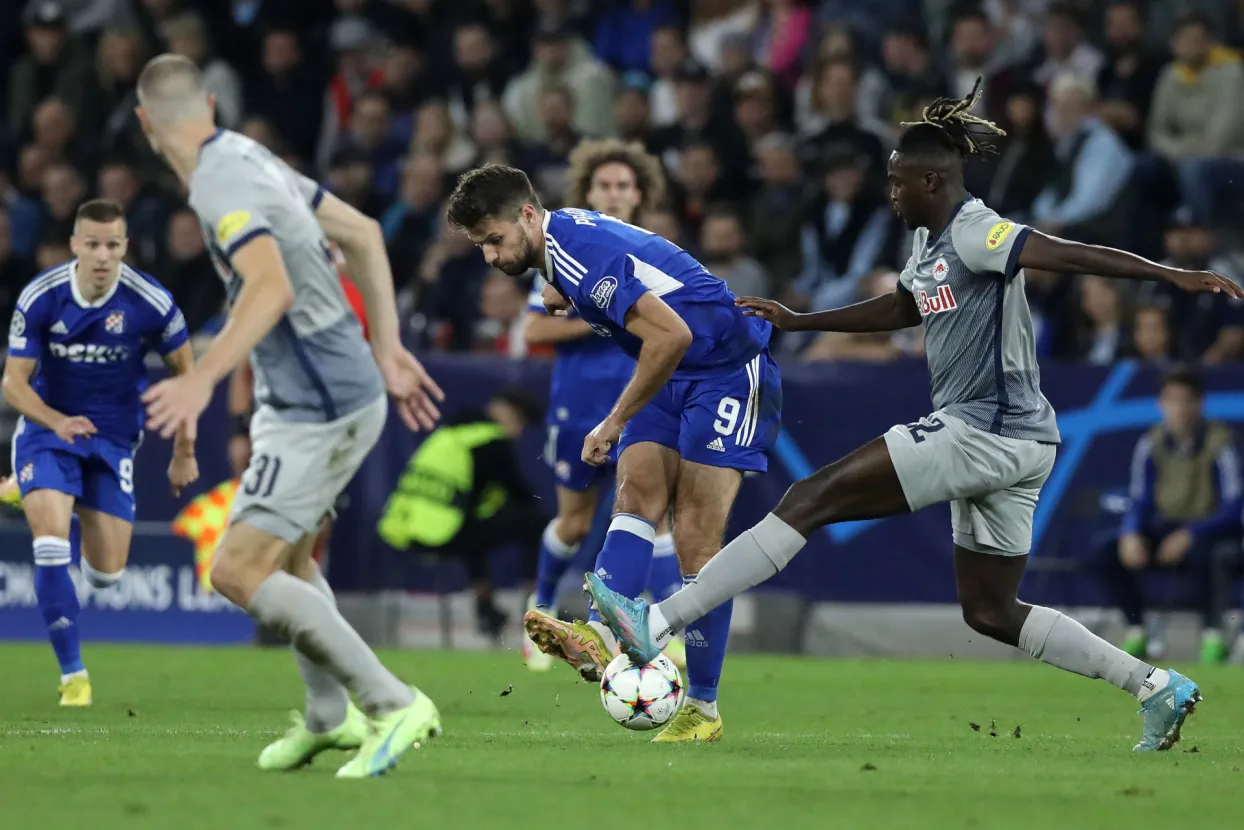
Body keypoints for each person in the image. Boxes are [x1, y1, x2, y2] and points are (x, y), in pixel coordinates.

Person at [585, 80, 1243, 752]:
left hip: (985, 426)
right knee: (990, 610)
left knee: (809, 498)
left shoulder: (976, 230)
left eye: (899, 183)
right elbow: (902, 308)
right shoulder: (928, 245)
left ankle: (655, 623)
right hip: (1017, 441)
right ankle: (1156, 687)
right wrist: (803, 319)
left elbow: (1063, 253)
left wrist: (1170, 275)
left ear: (933, 180)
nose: (891, 193)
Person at [132, 54, 445, 779]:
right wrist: (389, 350)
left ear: (146, 123)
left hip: (322, 406)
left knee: (238, 571)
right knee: (294, 561)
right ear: (210, 102)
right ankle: (329, 720)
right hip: (305, 394)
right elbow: (364, 231)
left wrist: (203, 379)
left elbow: (269, 286)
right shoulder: (249, 154)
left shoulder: (219, 183)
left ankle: (393, 703)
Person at [447, 164, 782, 743]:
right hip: (677, 373)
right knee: (635, 492)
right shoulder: (564, 243)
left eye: (495, 241)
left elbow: (670, 334)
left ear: (527, 215)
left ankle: (702, 708)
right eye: (481, 247)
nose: (492, 258)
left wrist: (614, 418)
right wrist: (568, 295)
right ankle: (603, 633)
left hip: (728, 369)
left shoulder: (580, 252)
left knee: (698, 539)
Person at [1, 198, 199, 707]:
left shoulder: (150, 302)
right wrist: (56, 421)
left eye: (112, 245)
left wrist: (184, 450)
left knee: (106, 575)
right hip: (50, 430)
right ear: (74, 246)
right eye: (92, 244)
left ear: (125, 247)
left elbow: (188, 378)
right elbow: (14, 386)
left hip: (112, 441)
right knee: (50, 541)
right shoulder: (42, 297)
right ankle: (74, 675)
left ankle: (25, 488)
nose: (103, 256)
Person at [524, 138, 684, 673]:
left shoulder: (651, 250)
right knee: (573, 522)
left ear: (639, 194)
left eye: (623, 186)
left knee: (652, 514)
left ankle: (666, 630)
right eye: (603, 186)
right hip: (578, 404)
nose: (613, 194)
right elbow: (532, 325)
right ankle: (540, 611)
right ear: (587, 192)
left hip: (641, 401)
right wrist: (596, 307)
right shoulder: (562, 252)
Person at [1094, 366, 1241, 663]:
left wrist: (1190, 534)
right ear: (1161, 404)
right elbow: (1140, 497)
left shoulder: (1221, 444)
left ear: (1199, 403)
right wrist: (1131, 532)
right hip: (1166, 529)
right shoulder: (1152, 443)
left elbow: (1234, 505)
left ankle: (1213, 635)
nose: (1179, 409)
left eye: (1186, 400)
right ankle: (1137, 630)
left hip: (1211, 531)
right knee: (1107, 551)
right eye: (1171, 400)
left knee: (1208, 554)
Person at [378, 389, 545, 640]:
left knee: (475, 529)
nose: (519, 431)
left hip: (403, 528)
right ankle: (540, 607)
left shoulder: (448, 434)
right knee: (535, 521)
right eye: (518, 421)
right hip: (442, 532)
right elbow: (518, 492)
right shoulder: (490, 440)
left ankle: (486, 607)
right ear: (501, 411)